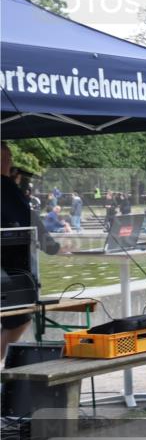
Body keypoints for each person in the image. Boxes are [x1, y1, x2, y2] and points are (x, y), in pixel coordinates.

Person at [1, 144, 63, 360]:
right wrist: (54, 248)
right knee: (18, 319)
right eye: (7, 157)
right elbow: (29, 222)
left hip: (10, 271)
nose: (10, 162)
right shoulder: (7, 189)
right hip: (10, 272)